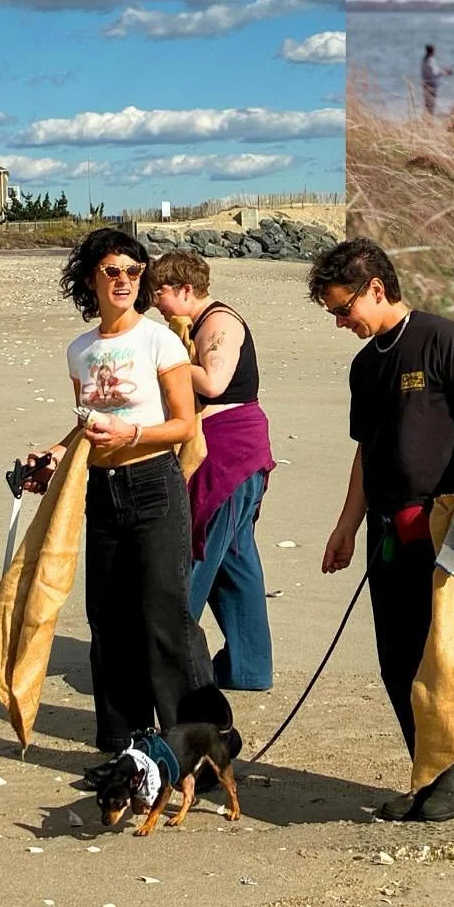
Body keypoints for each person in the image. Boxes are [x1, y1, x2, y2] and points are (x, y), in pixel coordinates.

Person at [308, 237, 454, 823]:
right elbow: (366, 453)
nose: (341, 321)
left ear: (376, 288)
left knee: (437, 652)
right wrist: (345, 527)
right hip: (387, 528)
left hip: (444, 522)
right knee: (396, 658)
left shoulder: (443, 339)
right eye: (333, 313)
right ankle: (432, 768)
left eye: (344, 309)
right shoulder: (364, 365)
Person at [23, 228, 225, 753]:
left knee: (165, 616)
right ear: (91, 277)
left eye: (134, 272)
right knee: (108, 621)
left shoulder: (157, 339)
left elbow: (184, 426)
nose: (124, 281)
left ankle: (192, 744)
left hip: (154, 484)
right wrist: (54, 455)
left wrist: (131, 433)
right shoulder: (80, 350)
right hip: (101, 491)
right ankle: (124, 745)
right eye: (112, 271)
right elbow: (89, 422)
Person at [151, 250, 276, 691]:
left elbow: (215, 383)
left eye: (160, 293)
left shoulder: (219, 323)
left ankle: (169, 664)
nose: (156, 303)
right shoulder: (197, 325)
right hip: (232, 450)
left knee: (195, 552)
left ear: (185, 290)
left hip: (225, 451)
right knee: (236, 563)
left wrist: (166, 358)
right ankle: (249, 668)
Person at [421, 44, 453, 116]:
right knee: (430, 104)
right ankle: (429, 118)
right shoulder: (429, 60)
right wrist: (445, 72)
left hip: (426, 84)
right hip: (430, 85)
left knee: (429, 104)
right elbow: (434, 73)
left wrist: (444, 71)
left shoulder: (425, 59)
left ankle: (428, 118)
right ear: (432, 51)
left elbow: (434, 71)